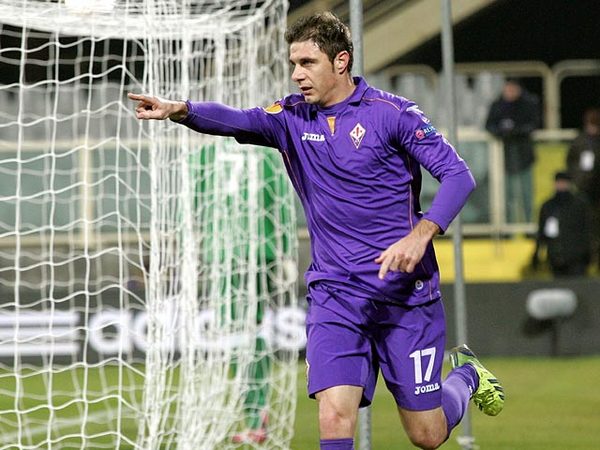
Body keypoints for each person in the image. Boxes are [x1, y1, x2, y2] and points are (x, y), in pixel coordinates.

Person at [129, 12, 504, 450]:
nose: (296, 74)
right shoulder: (290, 117)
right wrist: (181, 110)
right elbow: (236, 120)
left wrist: (420, 235)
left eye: (307, 63)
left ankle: (467, 376)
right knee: (333, 414)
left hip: (405, 296)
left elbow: (458, 176)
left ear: (340, 61)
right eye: (293, 63)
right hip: (336, 295)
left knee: (427, 435)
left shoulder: (394, 115)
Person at [485, 78, 541, 223]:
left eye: (512, 89)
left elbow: (534, 124)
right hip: (504, 158)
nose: (509, 92)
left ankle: (529, 226)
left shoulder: (528, 104)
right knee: (508, 195)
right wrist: (502, 132)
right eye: (507, 88)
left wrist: (515, 131)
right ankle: (508, 227)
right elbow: (489, 125)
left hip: (524, 156)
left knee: (526, 194)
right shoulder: (498, 105)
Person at [531, 171, 592, 277]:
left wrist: (588, 253)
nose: (561, 185)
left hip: (577, 258)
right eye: (559, 182)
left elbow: (587, 229)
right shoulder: (548, 206)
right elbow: (542, 231)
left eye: (563, 182)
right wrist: (537, 254)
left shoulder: (579, 205)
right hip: (556, 257)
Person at [566, 107, 600, 268]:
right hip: (583, 189)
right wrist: (576, 179)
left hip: (597, 190)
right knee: (584, 224)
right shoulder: (579, 141)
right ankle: (587, 257)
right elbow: (570, 162)